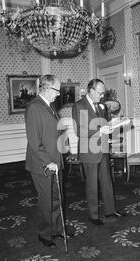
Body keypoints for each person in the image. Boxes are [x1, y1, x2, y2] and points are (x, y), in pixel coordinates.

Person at [25, 74, 72, 248]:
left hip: (55, 160)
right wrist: (48, 162)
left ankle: (58, 229)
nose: (59, 94)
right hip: (42, 164)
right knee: (46, 200)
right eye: (57, 90)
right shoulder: (34, 107)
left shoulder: (50, 106)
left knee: (58, 198)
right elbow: (34, 142)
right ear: (46, 88)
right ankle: (45, 234)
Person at [72, 79, 125, 226]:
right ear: (91, 90)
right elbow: (80, 131)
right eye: (100, 93)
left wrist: (112, 125)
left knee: (107, 181)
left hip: (102, 148)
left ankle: (110, 210)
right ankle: (93, 215)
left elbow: (103, 125)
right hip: (88, 150)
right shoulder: (79, 106)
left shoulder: (100, 106)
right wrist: (99, 130)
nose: (102, 96)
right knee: (92, 184)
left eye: (103, 93)